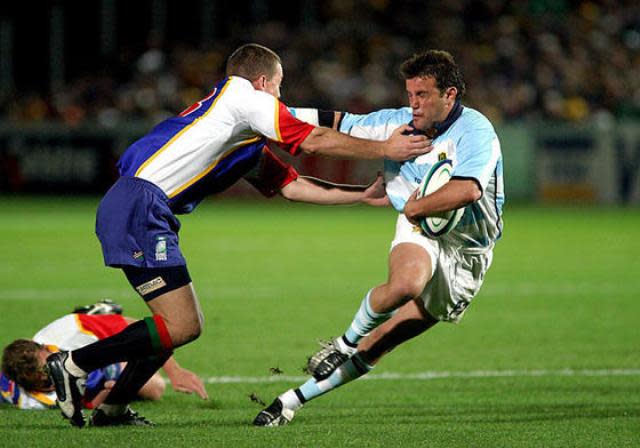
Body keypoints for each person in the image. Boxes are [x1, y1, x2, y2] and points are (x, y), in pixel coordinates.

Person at [45, 43, 431, 428]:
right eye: (280, 87)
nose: (281, 97)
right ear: (264, 81)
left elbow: (290, 186)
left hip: (142, 207)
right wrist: (384, 147)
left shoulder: (234, 130)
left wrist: (361, 195)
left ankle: (113, 409)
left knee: (175, 326)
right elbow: (312, 139)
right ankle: (74, 363)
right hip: (140, 206)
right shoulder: (245, 96)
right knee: (182, 325)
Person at [253, 49, 505, 426]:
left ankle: (290, 399)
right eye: (410, 95)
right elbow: (335, 121)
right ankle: (342, 344)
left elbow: (467, 190)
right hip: (419, 228)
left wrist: (417, 207)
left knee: (383, 341)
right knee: (405, 283)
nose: (413, 105)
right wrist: (259, 109)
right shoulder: (396, 124)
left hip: (468, 252)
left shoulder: (476, 131)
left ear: (449, 95)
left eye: (422, 96)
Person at [1, 300, 207, 415]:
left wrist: (174, 371)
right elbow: (84, 404)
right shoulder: (34, 401)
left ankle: (92, 316)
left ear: (46, 347)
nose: (53, 380)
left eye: (51, 368)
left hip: (91, 347)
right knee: (155, 389)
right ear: (29, 386)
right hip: (96, 377)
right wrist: (103, 397)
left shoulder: (68, 330)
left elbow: (139, 328)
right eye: (46, 382)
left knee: (152, 380)